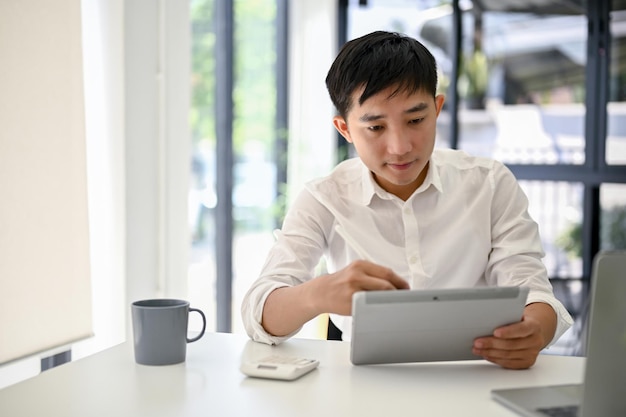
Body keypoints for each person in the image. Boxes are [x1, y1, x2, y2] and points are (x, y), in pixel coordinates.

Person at [241, 30, 572, 370]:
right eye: (375, 128)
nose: (400, 146)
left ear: (437, 108)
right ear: (345, 130)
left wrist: (535, 330)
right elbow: (258, 315)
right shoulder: (324, 197)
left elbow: (532, 290)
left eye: (415, 120)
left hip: (476, 375)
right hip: (366, 383)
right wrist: (318, 294)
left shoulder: (489, 183)